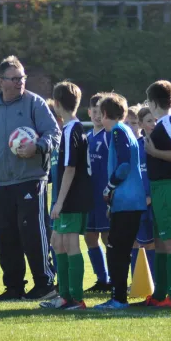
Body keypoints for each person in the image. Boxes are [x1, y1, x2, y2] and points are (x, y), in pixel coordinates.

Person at [0, 55, 60, 301]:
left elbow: (54, 134)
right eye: (14, 78)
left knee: (33, 232)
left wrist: (38, 146)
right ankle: (13, 287)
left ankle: (45, 284)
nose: (20, 82)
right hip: (2, 182)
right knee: (7, 234)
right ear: (1, 82)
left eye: (22, 77)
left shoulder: (35, 103)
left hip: (32, 179)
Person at [132, 80, 171, 309]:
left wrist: (154, 151)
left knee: (170, 242)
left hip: (168, 187)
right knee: (160, 242)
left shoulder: (167, 124)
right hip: (161, 189)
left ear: (152, 102)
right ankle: (159, 295)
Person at [40, 82, 92, 310]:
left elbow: (70, 168)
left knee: (70, 244)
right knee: (57, 242)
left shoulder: (72, 130)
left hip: (71, 199)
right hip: (65, 197)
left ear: (57, 104)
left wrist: (59, 203)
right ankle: (64, 296)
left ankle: (76, 299)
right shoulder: (70, 129)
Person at [94, 94, 147, 309]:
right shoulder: (126, 131)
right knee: (119, 249)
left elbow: (124, 165)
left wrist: (109, 187)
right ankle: (118, 296)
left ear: (106, 114)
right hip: (127, 202)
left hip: (127, 201)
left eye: (100, 114)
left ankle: (118, 299)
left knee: (117, 250)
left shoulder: (117, 131)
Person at [85, 93, 112, 293]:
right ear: (89, 112)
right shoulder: (86, 136)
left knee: (107, 237)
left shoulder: (109, 135)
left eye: (100, 112)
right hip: (88, 197)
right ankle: (101, 279)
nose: (97, 116)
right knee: (89, 237)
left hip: (105, 196)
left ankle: (113, 278)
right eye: (94, 112)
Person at [127, 105, 155, 278]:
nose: (131, 127)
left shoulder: (147, 146)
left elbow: (153, 174)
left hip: (147, 202)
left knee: (150, 243)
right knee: (133, 242)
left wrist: (150, 196)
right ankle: (136, 281)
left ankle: (152, 280)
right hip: (132, 203)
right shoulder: (126, 148)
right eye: (127, 123)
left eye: (133, 123)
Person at [46, 98, 64, 276]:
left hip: (65, 202)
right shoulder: (52, 145)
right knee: (54, 240)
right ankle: (57, 277)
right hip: (54, 201)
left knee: (65, 242)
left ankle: (65, 282)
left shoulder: (65, 140)